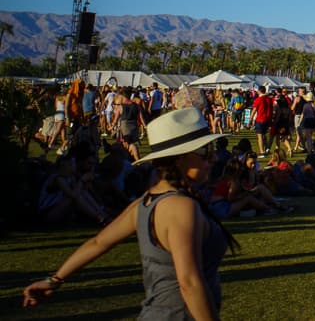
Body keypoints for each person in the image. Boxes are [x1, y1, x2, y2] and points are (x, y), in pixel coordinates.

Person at [23, 108, 238, 319]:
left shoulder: (145, 202)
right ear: (179, 157)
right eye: (205, 151)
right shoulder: (179, 207)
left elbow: (99, 243)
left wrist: (55, 280)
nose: (213, 158)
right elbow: (189, 282)